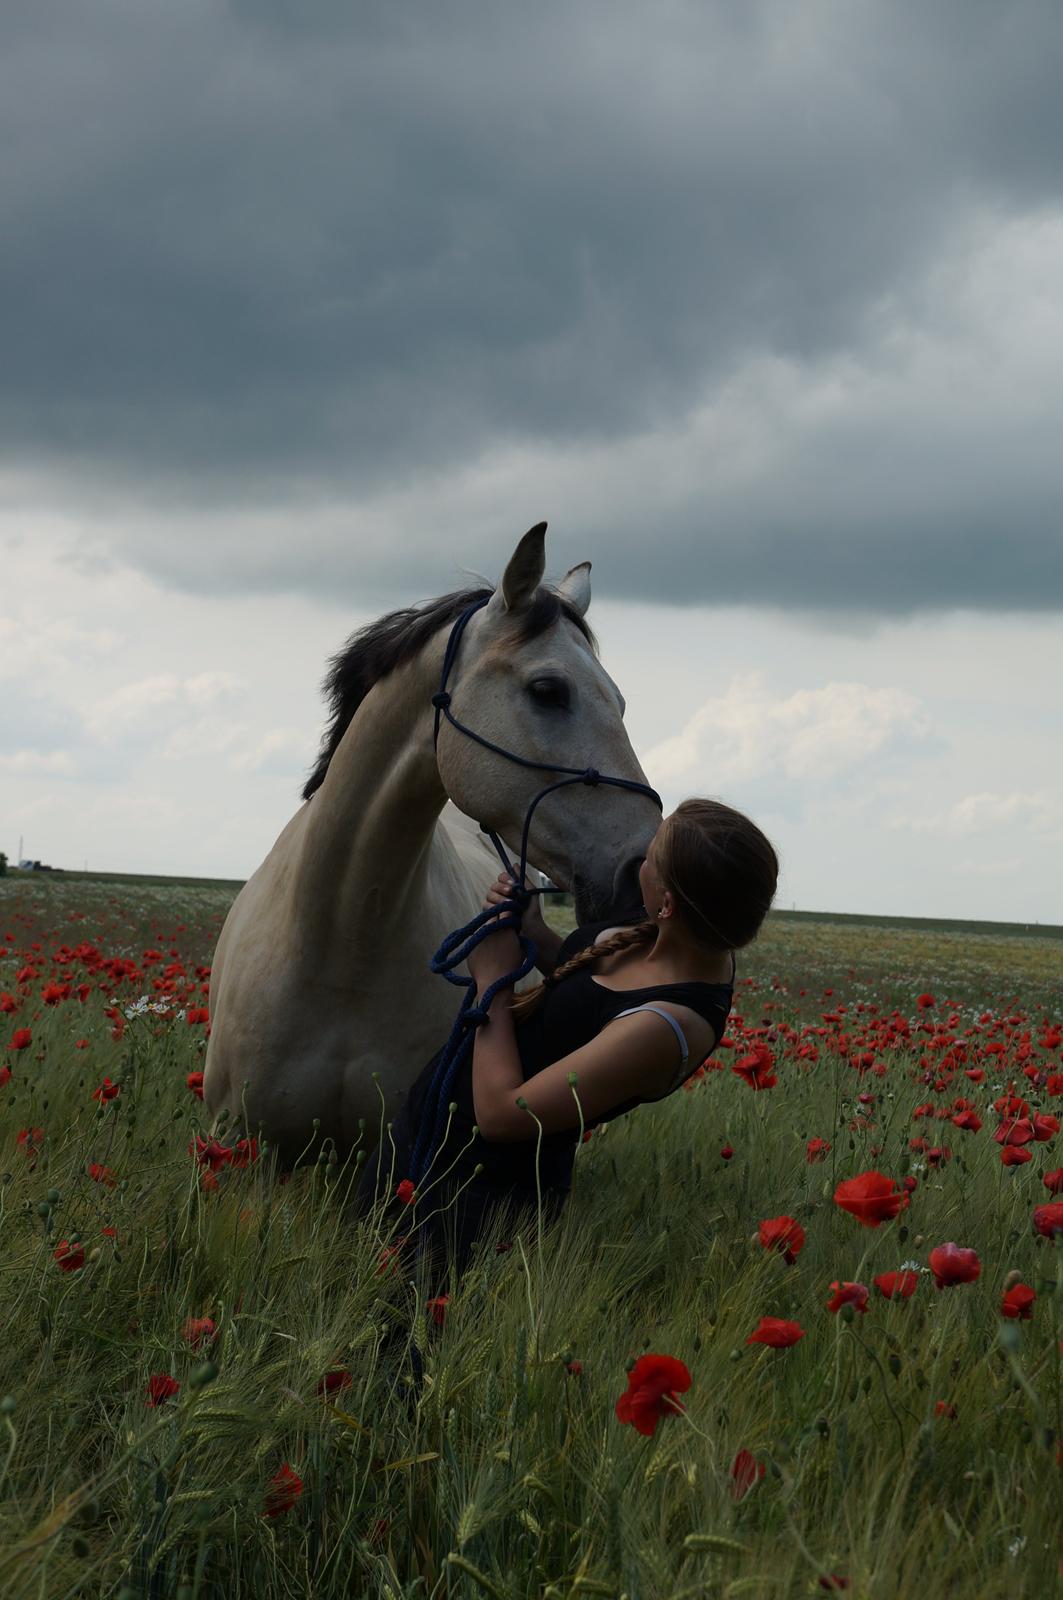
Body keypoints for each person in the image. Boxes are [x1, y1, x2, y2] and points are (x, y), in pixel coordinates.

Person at [355, 797, 778, 1296]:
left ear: (668, 903)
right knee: (364, 1285)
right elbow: (587, 998)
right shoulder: (689, 934)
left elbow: (502, 1115)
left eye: (652, 858)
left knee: (408, 1340)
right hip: (429, 1131)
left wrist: (492, 981)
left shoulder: (664, 1029)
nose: (639, 862)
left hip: (474, 1196)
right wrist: (534, 929)